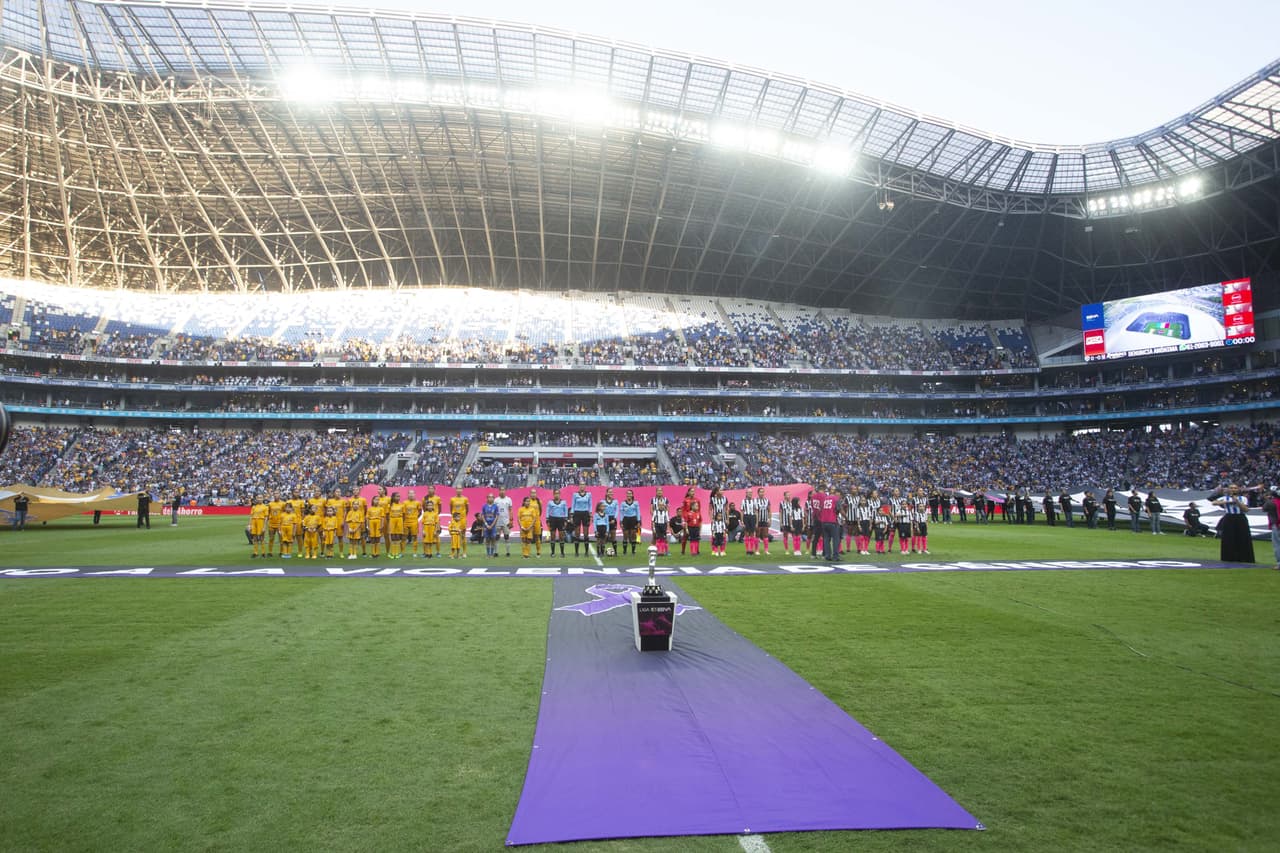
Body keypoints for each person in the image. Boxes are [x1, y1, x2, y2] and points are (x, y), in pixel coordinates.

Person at [1212, 485, 1255, 563]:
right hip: (1229, 518)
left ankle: (1244, 558)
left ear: (1238, 489)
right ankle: (1229, 557)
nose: (1233, 489)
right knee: (1228, 538)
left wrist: (1237, 502)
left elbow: (1246, 509)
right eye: (1231, 488)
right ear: (1228, 489)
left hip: (1240, 518)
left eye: (1235, 488)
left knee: (1243, 537)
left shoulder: (1243, 498)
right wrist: (1227, 502)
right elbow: (1214, 502)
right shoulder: (1225, 498)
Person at [571, 484, 594, 557]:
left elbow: (590, 505)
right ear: (579, 486)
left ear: (585, 486)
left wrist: (591, 515)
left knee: (586, 534)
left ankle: (586, 552)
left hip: (585, 514)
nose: (582, 486)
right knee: (577, 534)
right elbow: (573, 505)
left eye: (583, 485)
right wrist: (571, 515)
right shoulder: (575, 494)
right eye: (581, 485)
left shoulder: (589, 494)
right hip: (577, 513)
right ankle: (576, 552)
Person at [619, 489, 642, 555]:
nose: (629, 495)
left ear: (632, 495)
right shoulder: (623, 503)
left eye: (630, 493)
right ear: (626, 495)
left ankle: (633, 551)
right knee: (625, 535)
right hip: (625, 520)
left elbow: (638, 512)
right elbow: (621, 513)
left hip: (633, 519)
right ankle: (624, 551)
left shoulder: (636, 503)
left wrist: (638, 521)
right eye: (628, 493)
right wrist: (621, 521)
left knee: (633, 535)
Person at [493, 487, 514, 557]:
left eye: (503, 490)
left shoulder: (509, 499)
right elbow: (494, 510)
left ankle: (508, 552)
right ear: (499, 491)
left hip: (506, 521)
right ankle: (496, 552)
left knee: (506, 536)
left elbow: (510, 510)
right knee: (497, 537)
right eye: (501, 490)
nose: (502, 491)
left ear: (505, 491)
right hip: (497, 521)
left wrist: (511, 520)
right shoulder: (496, 500)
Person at [650, 487, 670, 556]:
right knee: (654, 536)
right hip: (656, 521)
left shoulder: (666, 499)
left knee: (665, 537)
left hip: (663, 521)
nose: (659, 492)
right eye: (658, 491)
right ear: (656, 492)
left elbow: (668, 509)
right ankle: (652, 550)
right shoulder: (653, 499)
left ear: (662, 492)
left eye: (661, 490)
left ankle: (666, 551)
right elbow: (651, 509)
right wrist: (656, 516)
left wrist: (663, 516)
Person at [481, 493, 500, 557]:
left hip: (493, 525)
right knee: (487, 539)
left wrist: (492, 525)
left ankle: (491, 553)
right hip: (486, 525)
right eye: (489, 497)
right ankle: (488, 553)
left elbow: (497, 516)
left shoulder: (495, 506)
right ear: (487, 498)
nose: (490, 498)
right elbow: (483, 516)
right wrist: (486, 524)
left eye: (492, 497)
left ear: (494, 498)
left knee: (493, 539)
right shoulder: (484, 506)